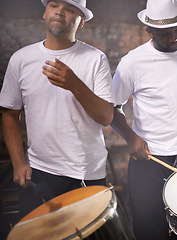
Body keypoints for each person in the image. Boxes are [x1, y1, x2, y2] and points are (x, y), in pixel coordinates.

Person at [110, 0, 177, 239]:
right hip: (148, 160)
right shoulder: (132, 62)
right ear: (149, 31)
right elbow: (112, 108)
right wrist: (130, 138)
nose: (173, 38)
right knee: (151, 233)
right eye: (165, 33)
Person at [0, 0, 115, 220]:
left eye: (70, 9)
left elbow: (106, 117)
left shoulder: (95, 59)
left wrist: (75, 85)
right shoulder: (21, 59)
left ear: (81, 22)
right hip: (39, 174)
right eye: (54, 5)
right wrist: (18, 163)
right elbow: (10, 114)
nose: (60, 11)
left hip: (85, 173)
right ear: (45, 13)